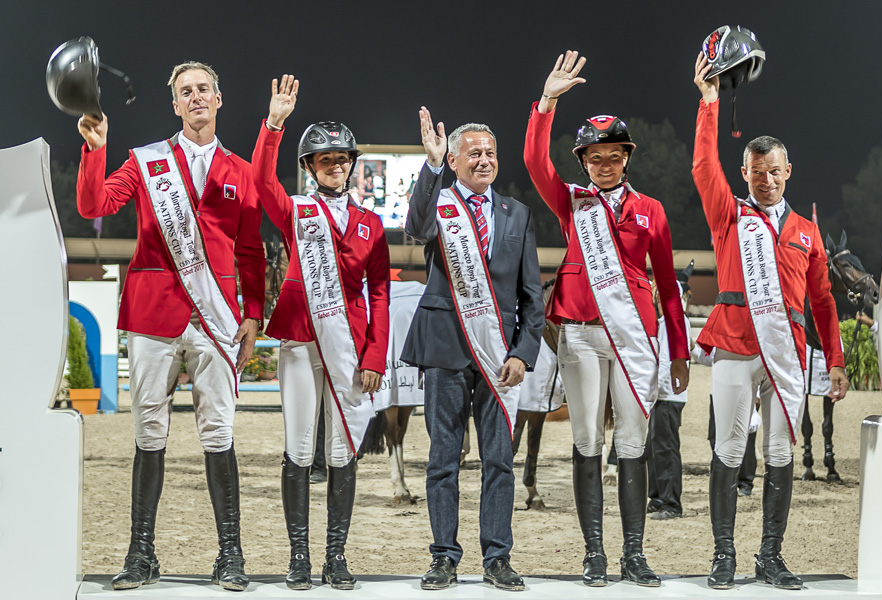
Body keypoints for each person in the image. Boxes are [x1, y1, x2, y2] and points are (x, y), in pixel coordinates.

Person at [76, 61, 265, 592]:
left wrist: (253, 314)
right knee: (148, 434)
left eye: (204, 88)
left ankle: (230, 555)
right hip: (153, 315)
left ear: (218, 99)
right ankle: (141, 554)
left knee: (219, 435)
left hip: (216, 319)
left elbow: (251, 251)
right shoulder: (146, 161)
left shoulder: (243, 171)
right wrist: (96, 149)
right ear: (175, 104)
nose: (196, 96)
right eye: (186, 91)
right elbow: (93, 204)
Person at [524, 51, 689, 587]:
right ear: (584, 162)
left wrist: (679, 352)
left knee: (633, 442)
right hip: (579, 335)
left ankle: (633, 553)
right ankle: (594, 553)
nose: (604, 165)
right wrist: (546, 103)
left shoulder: (652, 210)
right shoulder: (571, 203)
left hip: (634, 336)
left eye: (613, 156)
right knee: (587, 441)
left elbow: (668, 287)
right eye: (594, 158)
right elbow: (534, 162)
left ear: (626, 157)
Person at [692, 52, 849, 590]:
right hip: (736, 346)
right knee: (729, 450)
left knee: (780, 452)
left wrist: (836, 361)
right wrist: (709, 102)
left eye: (774, 171)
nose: (766, 180)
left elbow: (823, 302)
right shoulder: (729, 214)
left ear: (788, 172)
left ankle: (770, 556)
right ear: (745, 174)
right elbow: (703, 167)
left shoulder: (807, 231)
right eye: (756, 172)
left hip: (788, 353)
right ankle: (723, 556)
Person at [252, 75, 390, 590]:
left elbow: (380, 294)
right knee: (298, 446)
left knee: (341, 450)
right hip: (299, 339)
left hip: (348, 346)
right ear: (310, 166)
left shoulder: (372, 224)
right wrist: (274, 125)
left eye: (342, 159)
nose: (335, 166)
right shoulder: (295, 210)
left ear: (352, 164)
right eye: (325, 160)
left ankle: (336, 557)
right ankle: (299, 558)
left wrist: (374, 356)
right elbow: (261, 181)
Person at [402, 107, 544, 591]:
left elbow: (531, 294)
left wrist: (523, 352)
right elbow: (416, 226)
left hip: (498, 356)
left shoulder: (517, 213)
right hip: (446, 348)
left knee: (499, 461)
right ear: (455, 160)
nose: (484, 160)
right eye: (474, 153)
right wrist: (431, 164)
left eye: (491, 153)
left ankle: (497, 558)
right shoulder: (439, 202)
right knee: (443, 460)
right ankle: (443, 557)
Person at [646, 268, 695, 521]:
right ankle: (657, 496)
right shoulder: (666, 322)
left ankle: (671, 503)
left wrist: (659, 390)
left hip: (667, 394)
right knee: (655, 448)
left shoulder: (674, 322)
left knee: (666, 449)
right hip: (662, 395)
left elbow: (667, 360)